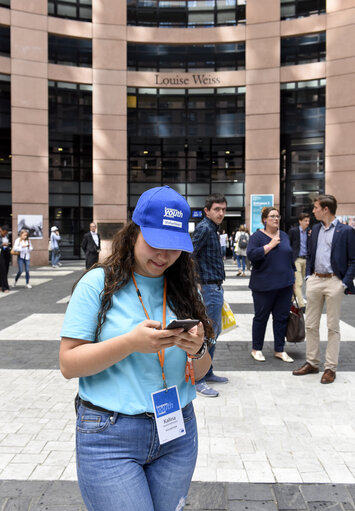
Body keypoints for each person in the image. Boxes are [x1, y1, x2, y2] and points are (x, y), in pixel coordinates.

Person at [59, 186, 213, 511]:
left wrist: (197, 350)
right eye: (155, 243)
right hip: (109, 435)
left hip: (177, 430)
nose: (164, 256)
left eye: (174, 248)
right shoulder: (97, 284)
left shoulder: (183, 289)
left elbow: (198, 373)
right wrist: (130, 343)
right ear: (134, 232)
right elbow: (69, 364)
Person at [293, 195, 355, 384]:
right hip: (315, 281)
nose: (313, 211)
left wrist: (343, 283)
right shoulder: (316, 229)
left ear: (326, 209)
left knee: (332, 327)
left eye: (316, 207)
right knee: (311, 324)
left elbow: (353, 260)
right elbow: (310, 254)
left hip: (334, 282)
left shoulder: (345, 231)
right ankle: (312, 362)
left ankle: (330, 368)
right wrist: (309, 276)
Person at [192, 193, 229, 398]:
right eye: (217, 209)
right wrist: (195, 282)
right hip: (207, 288)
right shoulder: (204, 229)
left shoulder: (212, 229)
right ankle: (198, 379)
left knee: (214, 331)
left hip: (214, 287)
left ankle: (208, 370)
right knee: (208, 333)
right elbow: (189, 255)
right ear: (207, 211)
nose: (221, 213)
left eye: (223, 209)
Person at [247, 207, 295, 363]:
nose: (276, 219)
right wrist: (270, 245)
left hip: (285, 285)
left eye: (278, 216)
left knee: (281, 318)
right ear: (264, 220)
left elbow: (289, 258)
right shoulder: (257, 236)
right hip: (263, 286)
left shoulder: (285, 236)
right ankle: (257, 349)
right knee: (261, 318)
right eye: (272, 216)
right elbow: (252, 255)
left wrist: (293, 281)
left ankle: (279, 350)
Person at [288, 213, 310, 311]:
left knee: (307, 282)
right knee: (299, 282)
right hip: (296, 259)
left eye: (308, 221)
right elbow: (288, 245)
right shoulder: (293, 231)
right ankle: (301, 305)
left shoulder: (310, 231)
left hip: (307, 259)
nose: (307, 223)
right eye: (305, 221)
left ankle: (290, 300)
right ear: (300, 221)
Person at [0, 225, 11, 293]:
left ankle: (1, 285)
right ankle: (4, 287)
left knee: (6, 270)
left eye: (6, 232)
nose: (5, 234)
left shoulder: (7, 236)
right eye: (4, 232)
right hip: (1, 254)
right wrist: (2, 245)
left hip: (6, 253)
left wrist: (8, 245)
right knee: (3, 270)